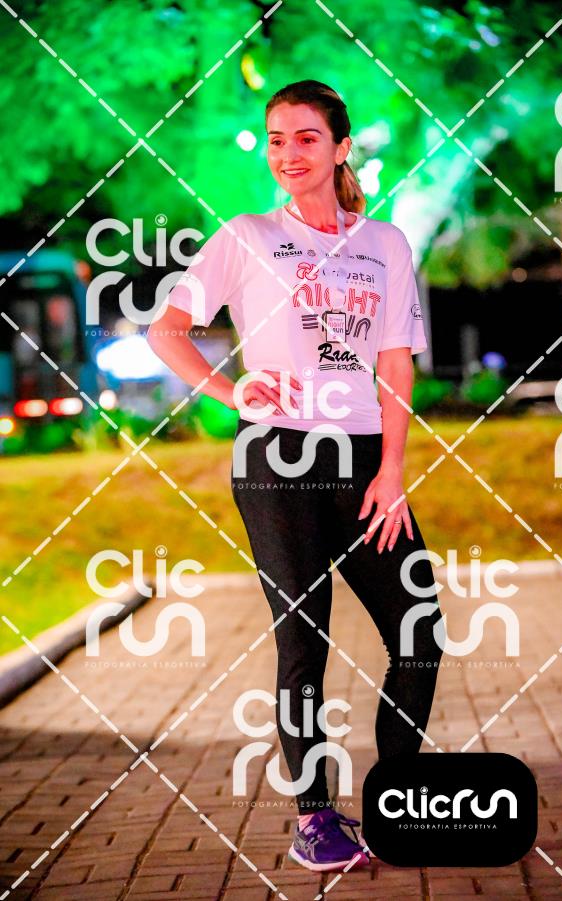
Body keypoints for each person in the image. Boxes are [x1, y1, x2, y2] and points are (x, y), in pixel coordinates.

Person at [147, 79, 444, 873]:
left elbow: (394, 364)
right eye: (277, 139)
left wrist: (392, 469)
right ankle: (316, 818)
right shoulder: (247, 236)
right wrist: (228, 390)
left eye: (307, 138)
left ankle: (395, 799)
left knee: (418, 629)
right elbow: (166, 330)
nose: (289, 154)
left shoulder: (385, 244)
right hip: (279, 458)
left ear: (341, 147)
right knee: (304, 639)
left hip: (363, 460)